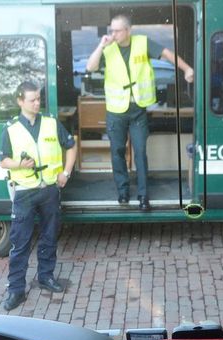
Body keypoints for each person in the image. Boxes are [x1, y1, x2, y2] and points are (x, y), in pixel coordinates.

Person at [85, 14, 194, 211]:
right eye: (112, 30)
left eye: (117, 30)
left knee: (141, 152)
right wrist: (101, 45)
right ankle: (123, 192)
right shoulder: (108, 49)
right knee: (117, 151)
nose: (113, 34)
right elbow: (90, 66)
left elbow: (167, 54)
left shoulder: (142, 43)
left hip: (138, 111)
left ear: (128, 30)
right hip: (116, 112)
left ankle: (144, 195)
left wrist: (186, 69)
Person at [0, 81, 78, 312]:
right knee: (20, 242)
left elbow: (71, 146)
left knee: (49, 236)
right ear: (20, 101)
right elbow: (3, 160)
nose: (36, 103)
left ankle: (45, 276)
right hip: (24, 191)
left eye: (38, 99)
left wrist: (66, 172)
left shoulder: (52, 123)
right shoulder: (11, 129)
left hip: (49, 189)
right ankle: (16, 290)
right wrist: (19, 164)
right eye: (32, 99)